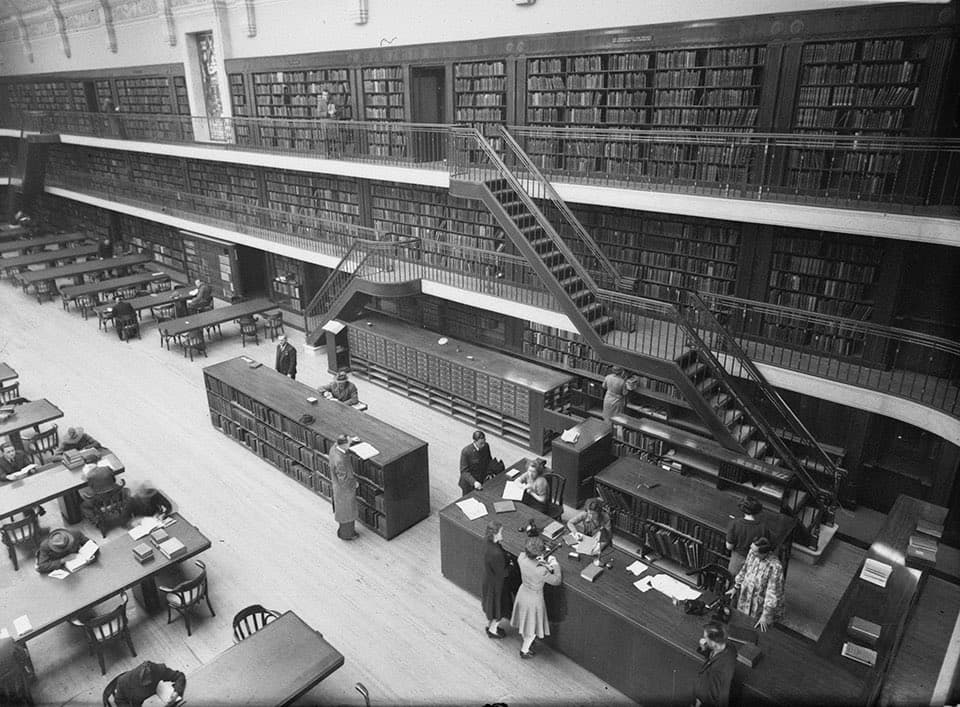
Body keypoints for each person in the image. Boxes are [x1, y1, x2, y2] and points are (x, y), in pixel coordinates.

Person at [510, 536, 562, 659]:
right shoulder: (541, 571)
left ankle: (525, 640)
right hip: (534, 599)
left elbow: (527, 559)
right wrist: (554, 565)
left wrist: (540, 560)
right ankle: (524, 650)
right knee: (532, 629)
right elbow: (556, 580)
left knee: (525, 621)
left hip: (523, 592)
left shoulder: (521, 559)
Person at [727, 536, 785, 632]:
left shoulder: (775, 566)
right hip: (745, 598)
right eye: (751, 548)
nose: (751, 552)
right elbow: (745, 569)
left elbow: (773, 593)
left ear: (763, 553)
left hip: (759, 605)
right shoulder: (752, 553)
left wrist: (765, 615)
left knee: (754, 629)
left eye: (754, 551)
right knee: (740, 624)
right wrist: (736, 587)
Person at [694, 622, 738, 707]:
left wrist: (699, 700)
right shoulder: (727, 645)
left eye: (705, 637)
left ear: (714, 642)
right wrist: (704, 648)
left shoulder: (721, 667)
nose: (704, 639)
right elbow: (712, 655)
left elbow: (713, 691)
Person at [481, 520, 511, 640]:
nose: (502, 534)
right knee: (499, 607)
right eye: (500, 532)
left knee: (491, 606)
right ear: (495, 534)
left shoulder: (487, 543)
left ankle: (491, 626)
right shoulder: (496, 553)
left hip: (488, 580)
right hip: (497, 585)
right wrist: (511, 566)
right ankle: (493, 630)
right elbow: (502, 573)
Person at [113, 660, 186, 707]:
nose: (147, 684)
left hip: (160, 699)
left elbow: (179, 676)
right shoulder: (123, 682)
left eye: (150, 681)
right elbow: (119, 700)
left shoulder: (158, 669)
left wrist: (176, 692)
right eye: (144, 683)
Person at [79, 463, 131, 528]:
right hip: (115, 497)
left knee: (84, 506)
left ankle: (96, 520)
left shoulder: (89, 477)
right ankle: (127, 511)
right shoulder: (106, 468)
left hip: (100, 502)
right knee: (127, 490)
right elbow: (114, 480)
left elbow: (90, 488)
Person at [329, 434, 359, 540]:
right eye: (349, 444)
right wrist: (354, 484)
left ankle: (344, 531)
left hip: (337, 486)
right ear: (344, 445)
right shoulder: (340, 460)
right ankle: (347, 534)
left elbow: (337, 443)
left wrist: (351, 440)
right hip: (344, 490)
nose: (350, 445)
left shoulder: (334, 448)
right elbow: (344, 480)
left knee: (344, 511)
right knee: (347, 512)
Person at [725, 496, 765, 575]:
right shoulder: (762, 527)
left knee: (733, 582)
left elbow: (729, 546)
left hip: (737, 559)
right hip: (754, 560)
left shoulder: (735, 524)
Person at [459, 430, 492, 496]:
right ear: (474, 441)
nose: (483, 445)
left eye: (484, 441)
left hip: (482, 480)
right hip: (469, 484)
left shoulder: (486, 446)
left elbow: (488, 460)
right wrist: (474, 482)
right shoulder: (466, 452)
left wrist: (489, 473)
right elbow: (464, 472)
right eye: (481, 443)